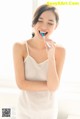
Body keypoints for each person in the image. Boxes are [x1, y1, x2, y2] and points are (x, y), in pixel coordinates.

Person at [13, 4, 66, 119]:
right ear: (33, 23)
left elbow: (54, 87)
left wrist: (51, 57)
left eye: (50, 23)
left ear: (55, 27)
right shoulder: (19, 47)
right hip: (24, 111)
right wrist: (49, 86)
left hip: (48, 112)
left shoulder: (60, 51)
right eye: (40, 21)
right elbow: (21, 84)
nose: (44, 26)